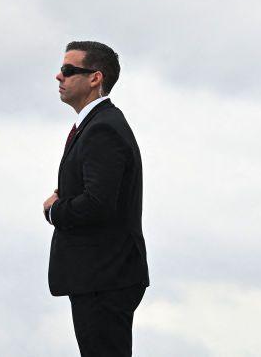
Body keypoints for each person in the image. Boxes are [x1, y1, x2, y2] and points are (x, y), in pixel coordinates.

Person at [44, 41, 149, 356]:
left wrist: (54, 210)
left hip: (104, 276)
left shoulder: (103, 128)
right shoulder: (93, 125)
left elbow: (98, 203)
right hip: (100, 275)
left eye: (68, 70)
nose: (59, 77)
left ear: (95, 78)